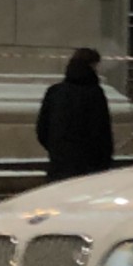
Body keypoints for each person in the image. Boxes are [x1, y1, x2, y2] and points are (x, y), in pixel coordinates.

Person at [36, 48, 115, 182]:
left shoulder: (55, 91)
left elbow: (42, 129)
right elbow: (101, 131)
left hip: (59, 163)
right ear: (92, 65)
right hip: (88, 166)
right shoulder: (94, 93)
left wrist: (56, 149)